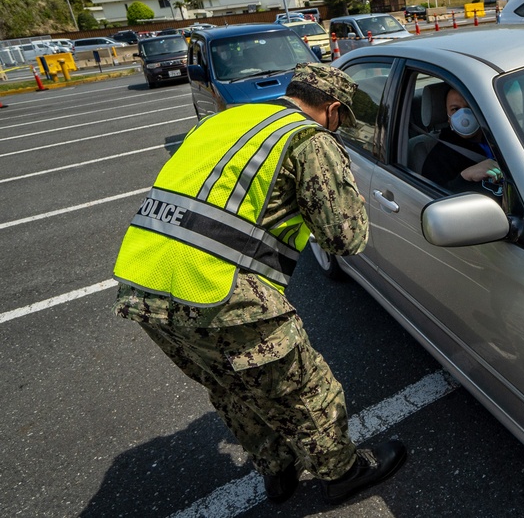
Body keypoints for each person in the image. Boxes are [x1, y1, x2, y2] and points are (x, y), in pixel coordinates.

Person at [111, 62, 406, 506]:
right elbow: (345, 239)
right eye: (341, 122)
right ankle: (342, 473)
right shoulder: (308, 139)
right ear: (332, 109)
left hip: (144, 285)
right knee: (305, 388)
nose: (339, 129)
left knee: (230, 386)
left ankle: (276, 470)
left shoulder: (225, 120)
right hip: (220, 291)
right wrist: (352, 203)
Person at [422, 86, 503, 195]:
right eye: (455, 109)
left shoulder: (501, 137)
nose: (464, 115)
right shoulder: (437, 159)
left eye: (469, 107)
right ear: (448, 117)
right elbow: (436, 200)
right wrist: (465, 176)